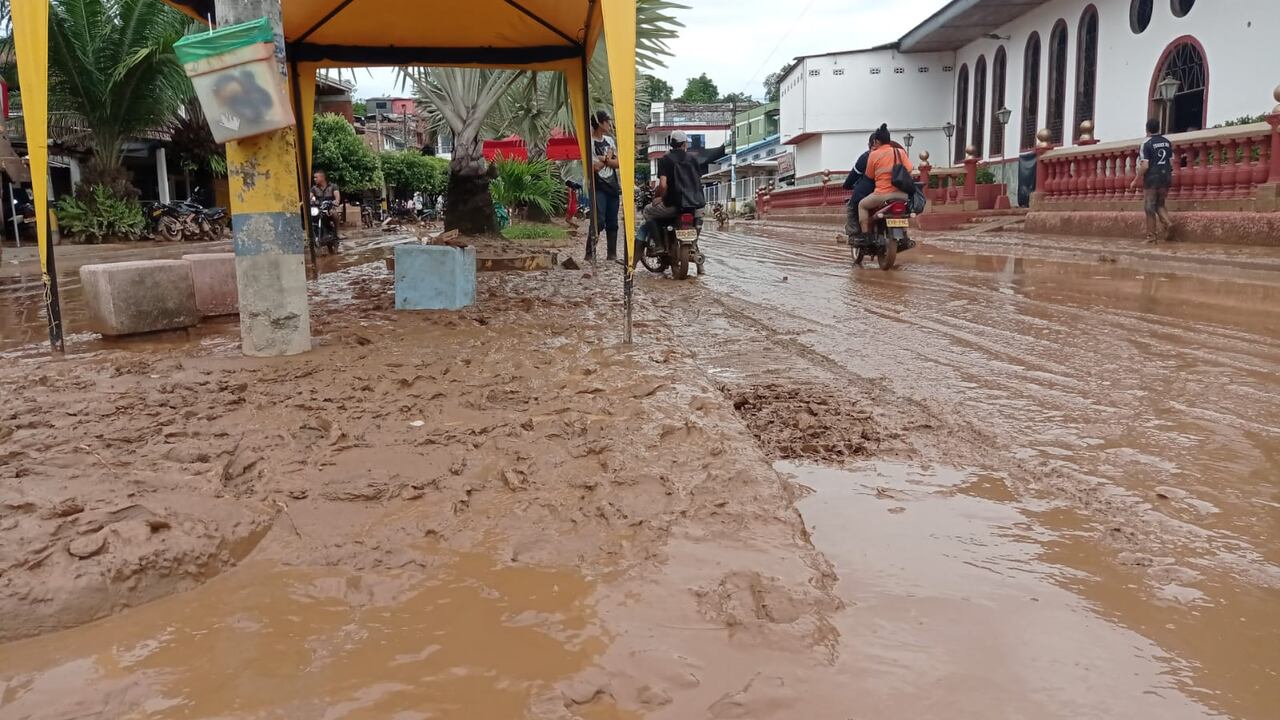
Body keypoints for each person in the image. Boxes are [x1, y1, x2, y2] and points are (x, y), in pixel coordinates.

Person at [639, 129, 705, 249]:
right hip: (695, 205)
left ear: (671, 144)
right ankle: (694, 246)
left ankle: (659, 245)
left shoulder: (665, 159)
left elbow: (663, 185)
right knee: (699, 219)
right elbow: (697, 180)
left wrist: (660, 198)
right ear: (684, 144)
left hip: (673, 205)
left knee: (648, 210)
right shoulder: (693, 159)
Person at [854, 124, 913, 241]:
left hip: (881, 195)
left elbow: (869, 175)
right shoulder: (900, 152)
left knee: (862, 205)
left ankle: (865, 236)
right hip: (902, 195)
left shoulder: (873, 154)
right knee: (903, 212)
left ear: (876, 141)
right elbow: (910, 169)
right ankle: (905, 235)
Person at [1132, 118, 1174, 242]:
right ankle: (1167, 223)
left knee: (1149, 207)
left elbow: (1145, 165)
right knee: (1160, 204)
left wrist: (1135, 180)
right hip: (1165, 175)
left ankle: (1151, 236)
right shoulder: (1167, 142)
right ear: (1158, 128)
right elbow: (1171, 162)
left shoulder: (1146, 144)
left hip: (1152, 178)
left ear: (1147, 129)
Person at [589, 110, 622, 261]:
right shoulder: (589, 142)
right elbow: (594, 167)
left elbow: (618, 163)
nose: (610, 124)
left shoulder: (609, 141)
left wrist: (605, 160)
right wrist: (606, 159)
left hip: (612, 186)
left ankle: (612, 254)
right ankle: (590, 252)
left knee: (613, 221)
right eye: (607, 121)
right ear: (600, 123)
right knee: (599, 220)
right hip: (598, 186)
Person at [842, 137, 876, 239]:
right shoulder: (895, 154)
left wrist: (847, 185)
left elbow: (854, 175)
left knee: (854, 205)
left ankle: (856, 234)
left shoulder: (867, 157)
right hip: (899, 191)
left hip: (877, 192)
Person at [310, 170, 341, 237]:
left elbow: (337, 198)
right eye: (314, 178)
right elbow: (309, 197)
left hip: (329, 207)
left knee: (334, 214)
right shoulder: (314, 188)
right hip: (319, 209)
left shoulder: (333, 186)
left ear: (322, 178)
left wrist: (336, 201)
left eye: (316, 177)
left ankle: (337, 232)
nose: (314, 179)